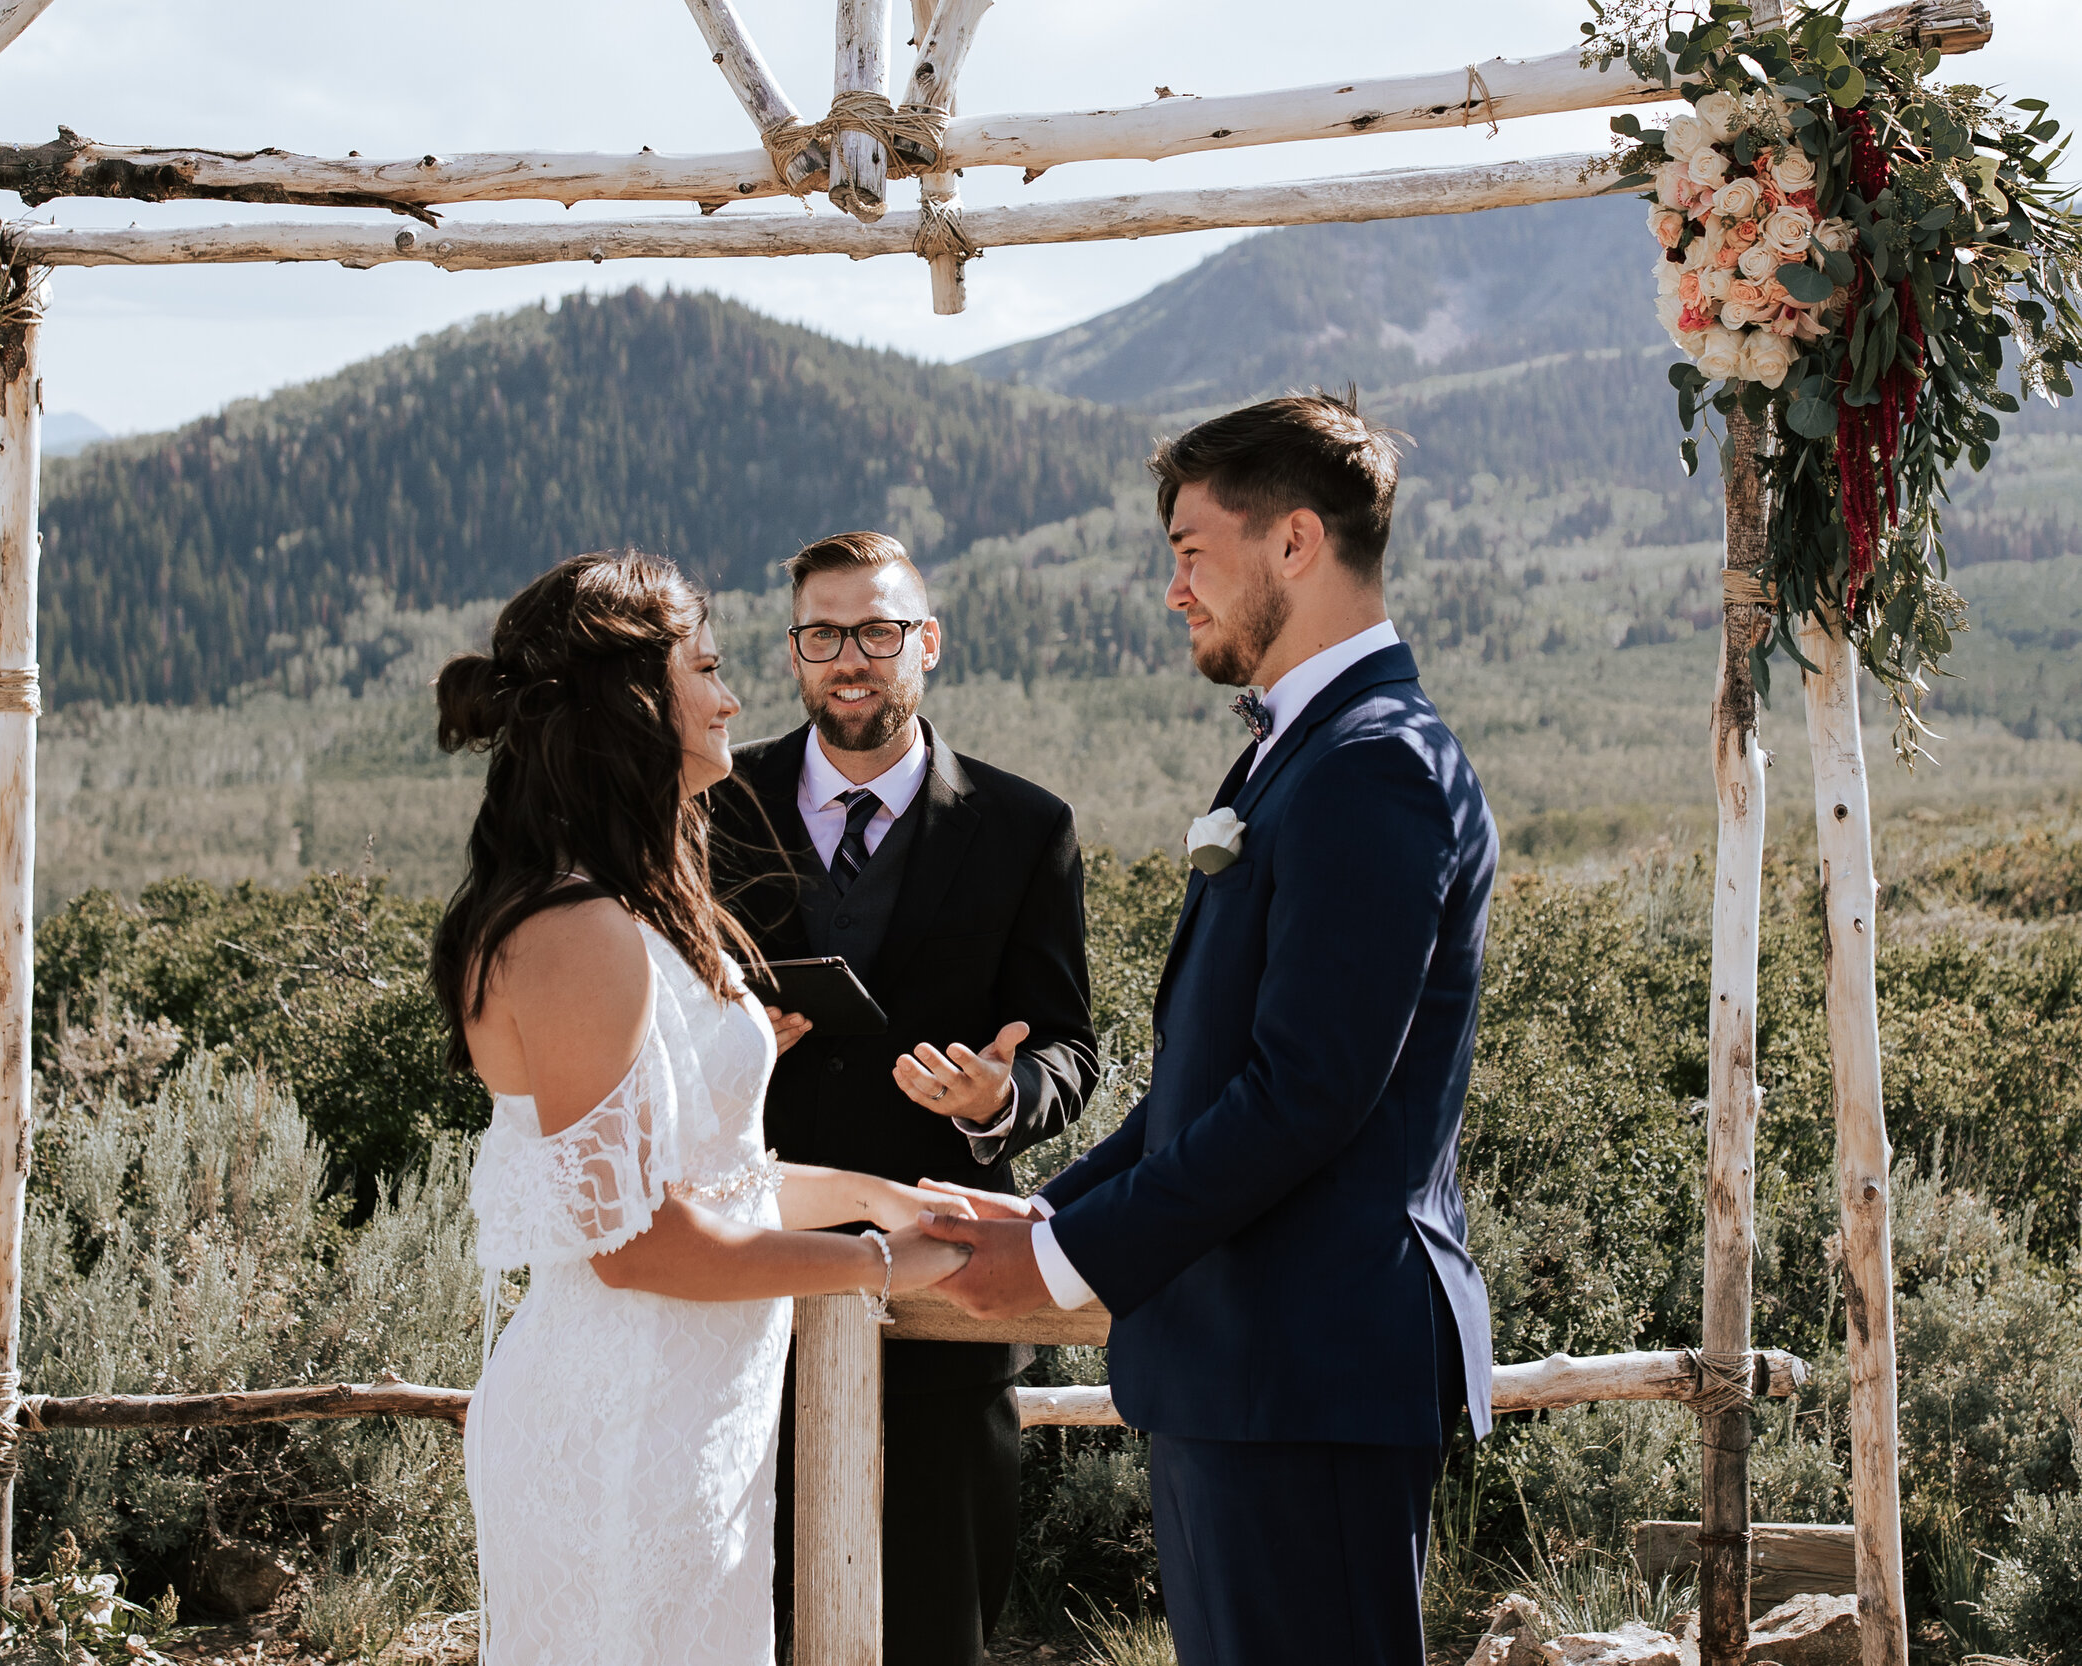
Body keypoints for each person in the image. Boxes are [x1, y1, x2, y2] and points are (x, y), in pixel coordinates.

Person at [919, 395, 1500, 1665]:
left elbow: (1305, 1094)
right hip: (1243, 1372)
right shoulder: (1292, 757)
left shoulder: (1374, 764)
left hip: (1310, 1366)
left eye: (1190, 550)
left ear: (1294, 543)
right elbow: (1213, 1076)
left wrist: (1069, 1269)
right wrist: (1046, 1215)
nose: (1174, 588)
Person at [438, 550, 974, 1666]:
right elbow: (638, 1246)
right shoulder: (574, 929)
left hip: (694, 1417)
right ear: (635, 705)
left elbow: (715, 1176)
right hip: (620, 1429)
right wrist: (878, 1266)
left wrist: (900, 1200)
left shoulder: (632, 902)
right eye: (710, 667)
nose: (734, 697)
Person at [708, 532, 1097, 1666]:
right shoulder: (711, 807)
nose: (849, 659)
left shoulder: (1027, 827)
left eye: (877, 632)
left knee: (939, 1618)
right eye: (821, 634)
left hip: (942, 1277)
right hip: (743, 1270)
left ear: (924, 644)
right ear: (793, 652)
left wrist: (998, 1095)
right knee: (749, 1611)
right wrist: (728, 1052)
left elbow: (1067, 1045)